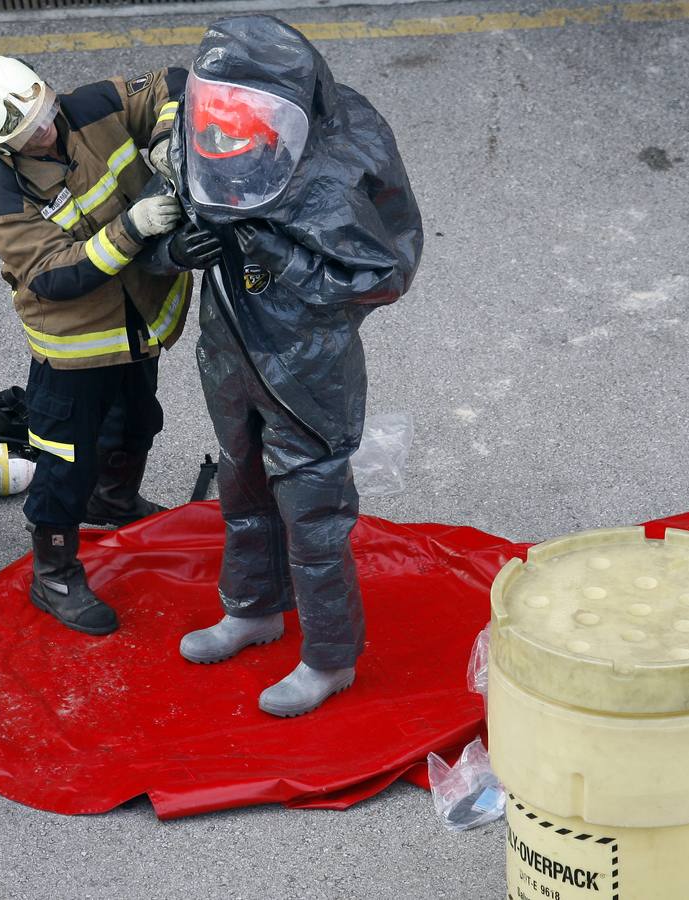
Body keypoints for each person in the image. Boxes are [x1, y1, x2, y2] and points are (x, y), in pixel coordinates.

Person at [167, 16, 424, 716]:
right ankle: (252, 610)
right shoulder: (206, 130)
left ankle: (330, 658)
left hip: (306, 369)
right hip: (229, 347)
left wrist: (279, 255)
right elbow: (177, 201)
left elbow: (381, 275)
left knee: (314, 518)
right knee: (241, 486)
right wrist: (176, 250)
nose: (226, 132)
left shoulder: (339, 168)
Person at [0, 55, 193, 635]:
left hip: (136, 327)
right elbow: (55, 277)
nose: (45, 130)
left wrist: (165, 137)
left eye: (44, 112)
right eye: (26, 132)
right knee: (66, 461)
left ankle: (114, 501)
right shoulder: (6, 202)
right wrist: (133, 228)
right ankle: (54, 573)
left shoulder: (92, 106)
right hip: (76, 350)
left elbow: (177, 80)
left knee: (137, 422)